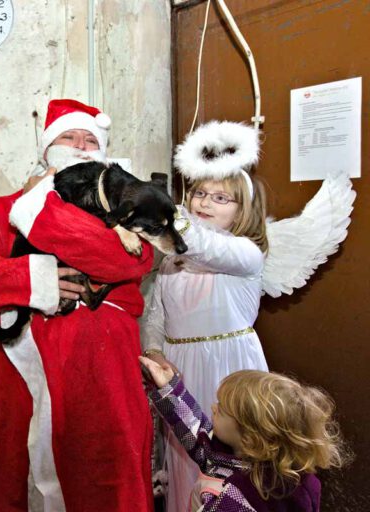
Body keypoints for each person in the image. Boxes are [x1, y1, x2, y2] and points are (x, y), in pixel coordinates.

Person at [0, 99, 156, 511]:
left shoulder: (125, 211)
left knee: (100, 476)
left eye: (90, 140)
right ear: (46, 151)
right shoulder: (4, 207)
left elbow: (125, 260)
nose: (81, 146)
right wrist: (30, 279)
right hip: (18, 369)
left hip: (100, 372)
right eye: (69, 137)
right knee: (11, 477)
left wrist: (38, 209)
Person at [140, 120, 270, 511]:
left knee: (232, 456)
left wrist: (161, 214)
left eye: (220, 198)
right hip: (180, 369)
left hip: (231, 367)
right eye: (199, 193)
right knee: (184, 454)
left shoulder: (247, 253)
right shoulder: (173, 260)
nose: (204, 204)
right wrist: (155, 349)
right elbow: (156, 313)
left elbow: (206, 247)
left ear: (242, 210)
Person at [139, 356, 348, 511]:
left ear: (249, 439)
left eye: (221, 410)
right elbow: (197, 431)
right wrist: (168, 387)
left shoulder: (235, 498)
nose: (212, 408)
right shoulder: (240, 457)